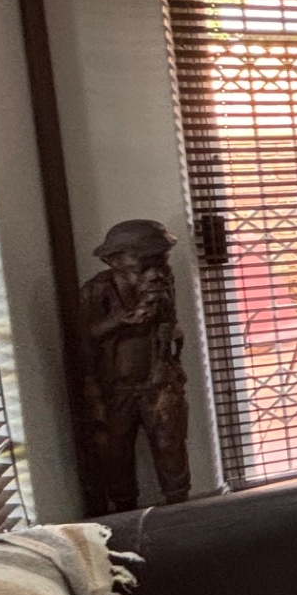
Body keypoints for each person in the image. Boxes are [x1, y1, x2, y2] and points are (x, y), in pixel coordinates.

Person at [81, 219, 191, 512]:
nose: (155, 266)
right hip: (117, 387)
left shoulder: (163, 279)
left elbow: (169, 322)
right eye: (145, 259)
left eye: (161, 256)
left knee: (171, 445)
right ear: (115, 260)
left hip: (160, 380)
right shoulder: (98, 289)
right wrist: (125, 319)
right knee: (117, 454)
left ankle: (181, 511)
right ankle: (126, 512)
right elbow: (85, 335)